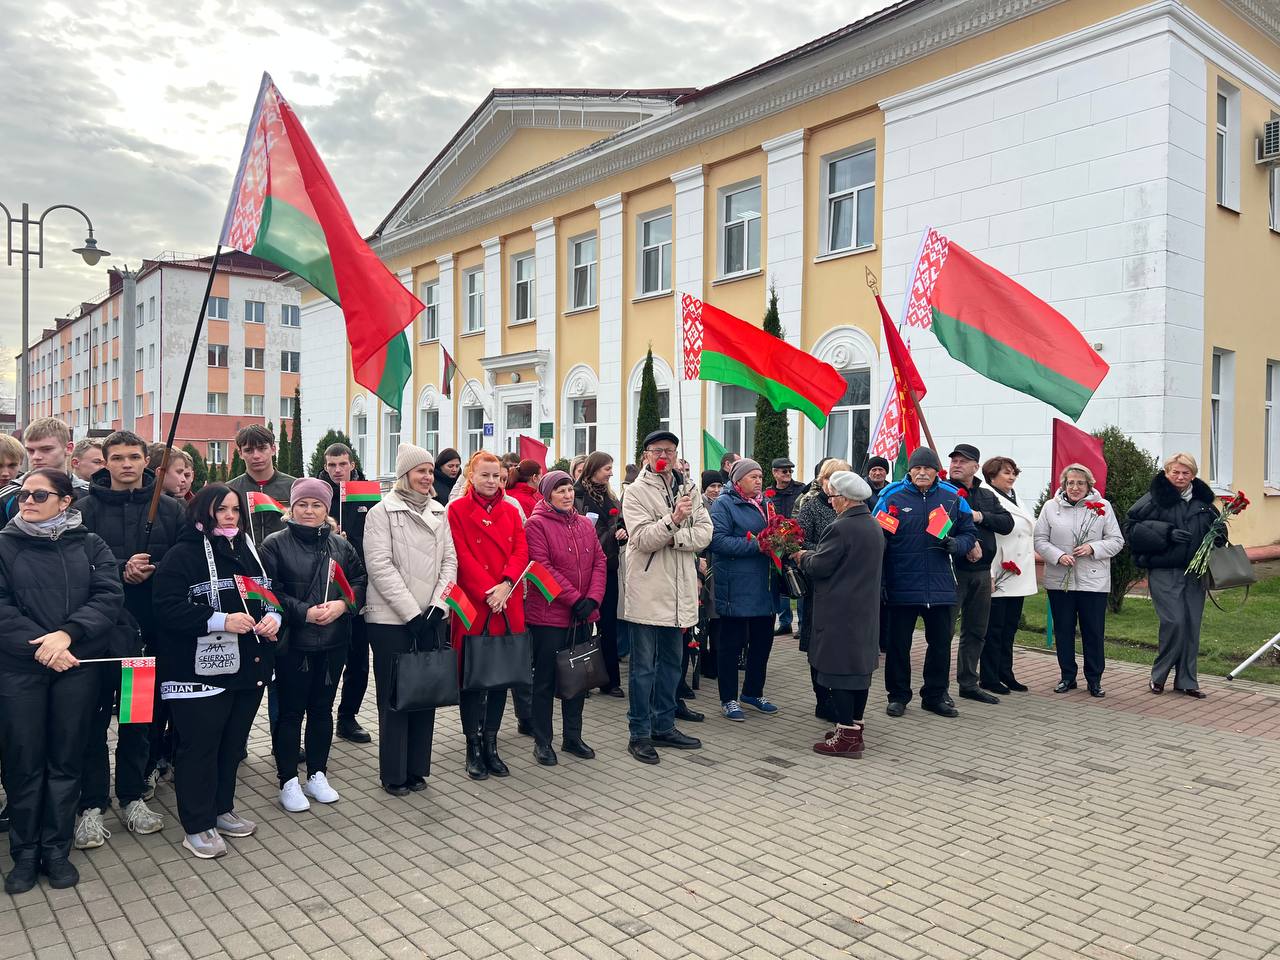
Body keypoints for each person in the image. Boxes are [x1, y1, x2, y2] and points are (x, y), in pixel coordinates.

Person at [0, 469, 123, 894]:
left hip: (76, 665)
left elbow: (108, 595)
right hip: (20, 668)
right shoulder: (3, 544)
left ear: (65, 501)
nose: (27, 501)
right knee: (23, 762)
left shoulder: (90, 545)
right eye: (22, 494)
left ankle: (56, 849)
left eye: (38, 494)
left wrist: (67, 634)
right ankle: (25, 853)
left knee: (65, 760)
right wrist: (42, 646)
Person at [152, 484, 281, 859]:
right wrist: (219, 619)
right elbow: (166, 609)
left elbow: (269, 594)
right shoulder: (182, 554)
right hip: (199, 673)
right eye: (220, 509)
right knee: (199, 749)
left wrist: (274, 616)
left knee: (230, 746)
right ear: (201, 512)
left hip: (248, 666)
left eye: (234, 510)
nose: (229, 516)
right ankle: (196, 825)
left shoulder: (249, 549)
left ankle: (222, 809)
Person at [74, 430, 182, 849]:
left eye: (134, 457)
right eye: (117, 457)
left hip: (146, 634)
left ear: (145, 462)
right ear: (105, 461)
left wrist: (154, 568)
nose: (126, 465)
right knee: (93, 721)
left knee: (138, 719)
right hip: (98, 635)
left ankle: (133, 795)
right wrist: (120, 567)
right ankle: (91, 805)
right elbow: (72, 563)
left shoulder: (170, 509)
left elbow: (182, 557)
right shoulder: (83, 510)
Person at [262, 478, 367, 812]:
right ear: (291, 507)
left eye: (317, 505)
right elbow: (270, 590)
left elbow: (359, 581)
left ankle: (317, 773)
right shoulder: (274, 544)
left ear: (326, 510)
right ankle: (288, 780)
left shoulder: (340, 546)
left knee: (322, 710)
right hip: (294, 644)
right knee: (291, 713)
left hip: (334, 641)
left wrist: (342, 605)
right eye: (303, 504)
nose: (309, 511)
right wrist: (303, 612)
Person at [363, 444, 457, 796]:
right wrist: (411, 613)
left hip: (431, 618)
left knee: (424, 693)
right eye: (420, 471)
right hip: (390, 621)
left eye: (430, 471)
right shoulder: (382, 512)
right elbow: (380, 566)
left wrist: (437, 607)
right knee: (394, 696)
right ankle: (393, 773)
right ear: (404, 475)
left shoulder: (438, 510)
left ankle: (417, 769)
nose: (427, 477)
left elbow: (451, 563)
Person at [622, 431, 711, 764]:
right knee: (643, 668)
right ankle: (639, 733)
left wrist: (674, 537)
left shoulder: (689, 488)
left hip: (679, 591)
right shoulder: (635, 492)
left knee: (672, 665)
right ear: (646, 455)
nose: (665, 455)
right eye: (658, 450)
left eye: (670, 450)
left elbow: (705, 532)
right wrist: (672, 521)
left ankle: (664, 724)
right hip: (649, 590)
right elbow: (643, 539)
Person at [876, 447, 977, 719]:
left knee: (941, 645)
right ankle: (898, 696)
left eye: (927, 468)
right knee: (898, 645)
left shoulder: (953, 499)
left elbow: (969, 531)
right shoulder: (891, 497)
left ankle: (934, 696)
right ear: (909, 471)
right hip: (902, 584)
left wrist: (957, 544)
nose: (922, 472)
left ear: (936, 471)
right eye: (917, 468)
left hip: (941, 585)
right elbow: (875, 534)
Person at [448, 451, 528, 780]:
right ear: (471, 475)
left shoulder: (511, 511)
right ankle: (472, 745)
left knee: (500, 679)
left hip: (507, 602)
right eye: (485, 475)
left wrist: (507, 584)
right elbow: (460, 554)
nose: (492, 481)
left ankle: (492, 744)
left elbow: (521, 549)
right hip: (476, 603)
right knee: (473, 678)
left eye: (497, 476)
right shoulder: (457, 510)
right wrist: (488, 590)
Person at [795, 471, 883, 758]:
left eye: (833, 497)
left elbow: (821, 566)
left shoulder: (841, 528)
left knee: (841, 672)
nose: (830, 502)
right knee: (859, 671)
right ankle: (854, 728)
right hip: (864, 610)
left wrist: (802, 556)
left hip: (840, 610)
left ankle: (846, 736)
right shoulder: (872, 524)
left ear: (845, 499)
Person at [525, 471, 606, 765]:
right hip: (550, 616)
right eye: (560, 490)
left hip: (582, 615)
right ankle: (543, 741)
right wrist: (574, 599)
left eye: (570, 489)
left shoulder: (585, 523)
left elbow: (599, 561)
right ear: (547, 495)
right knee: (545, 680)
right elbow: (541, 567)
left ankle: (573, 737)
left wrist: (593, 598)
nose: (567, 495)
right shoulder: (536, 525)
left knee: (578, 679)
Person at [1125, 453, 1221, 698]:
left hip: (1195, 572)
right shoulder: (1155, 498)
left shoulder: (1203, 502)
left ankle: (1187, 681)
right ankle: (1159, 675)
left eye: (1185, 473)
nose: (1180, 477)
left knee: (1191, 626)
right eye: (1175, 472)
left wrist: (1218, 533)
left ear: (1193, 475)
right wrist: (1166, 533)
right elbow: (1131, 528)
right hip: (1165, 570)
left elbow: (1217, 532)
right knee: (1174, 621)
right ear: (1167, 472)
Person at [1033, 464, 1124, 698]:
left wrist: (1093, 547)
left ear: (1089, 485)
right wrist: (1058, 555)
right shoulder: (1051, 507)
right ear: (1063, 485)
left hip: (1093, 581)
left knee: (1093, 632)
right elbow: (1040, 540)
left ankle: (1094, 680)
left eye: (1080, 483)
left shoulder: (1102, 507)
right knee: (1064, 630)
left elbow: (1116, 540)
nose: (1074, 487)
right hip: (1060, 579)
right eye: (1070, 483)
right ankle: (1067, 676)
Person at [710, 458, 780, 721]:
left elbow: (773, 533)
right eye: (752, 476)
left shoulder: (766, 503)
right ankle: (728, 698)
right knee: (731, 645)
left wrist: (784, 539)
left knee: (762, 643)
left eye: (760, 475)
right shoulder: (724, 504)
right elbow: (718, 541)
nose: (759, 480)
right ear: (737, 480)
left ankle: (753, 692)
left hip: (765, 585)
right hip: (736, 587)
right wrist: (758, 546)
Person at [946, 444, 1014, 706]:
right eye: (954, 460)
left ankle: (968, 683)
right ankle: (938, 687)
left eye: (964, 461)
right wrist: (966, 542)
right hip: (953, 571)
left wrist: (979, 516)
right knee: (944, 630)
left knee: (976, 631)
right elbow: (937, 526)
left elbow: (1006, 523)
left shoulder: (987, 495)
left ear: (976, 466)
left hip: (982, 572)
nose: (957, 465)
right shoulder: (943, 491)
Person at [318, 443, 373, 744]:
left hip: (358, 587)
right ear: (325, 467)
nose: (337, 470)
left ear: (352, 464)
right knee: (327, 662)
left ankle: (348, 717)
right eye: (331, 465)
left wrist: (352, 540)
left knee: (359, 660)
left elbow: (377, 536)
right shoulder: (318, 495)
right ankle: (320, 716)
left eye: (342, 464)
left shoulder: (366, 494)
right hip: (325, 591)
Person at [794, 458, 850, 720]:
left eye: (843, 476)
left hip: (847, 586)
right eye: (832, 477)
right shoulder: (812, 506)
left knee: (840, 645)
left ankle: (839, 696)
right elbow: (799, 540)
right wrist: (829, 553)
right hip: (819, 583)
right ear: (823, 480)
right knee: (818, 645)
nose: (836, 483)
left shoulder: (853, 506)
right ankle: (822, 699)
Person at [979, 456, 1036, 694]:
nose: (1011, 477)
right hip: (1000, 568)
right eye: (1006, 473)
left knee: (1009, 628)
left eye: (1013, 473)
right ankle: (989, 677)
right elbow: (985, 537)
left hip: (1019, 572)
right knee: (994, 628)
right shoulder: (987, 496)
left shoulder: (1015, 497)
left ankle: (1006, 672)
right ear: (992, 476)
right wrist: (990, 573)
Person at [574, 451, 627, 697]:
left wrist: (622, 532)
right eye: (607, 468)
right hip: (585, 568)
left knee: (608, 624)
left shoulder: (610, 495)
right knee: (583, 625)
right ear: (594, 469)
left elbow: (621, 522)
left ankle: (609, 680)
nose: (611, 473)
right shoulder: (577, 494)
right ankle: (580, 679)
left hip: (610, 565)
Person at [226, 424, 296, 546]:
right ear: (240, 453)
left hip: (285, 561)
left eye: (262, 448)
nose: (256, 456)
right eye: (249, 450)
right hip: (244, 561)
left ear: (273, 449)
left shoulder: (295, 487)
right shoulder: (229, 490)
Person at [0, 418, 81, 522]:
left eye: (46, 449)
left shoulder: (89, 493)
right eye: (30, 450)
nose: (36, 456)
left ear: (69, 448)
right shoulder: (7, 496)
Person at [766, 457, 808, 636]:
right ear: (775, 473)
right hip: (777, 542)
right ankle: (784, 622)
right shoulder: (768, 492)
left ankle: (802, 623)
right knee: (780, 581)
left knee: (799, 579)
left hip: (797, 539)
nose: (788, 474)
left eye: (790, 471)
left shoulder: (801, 489)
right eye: (784, 471)